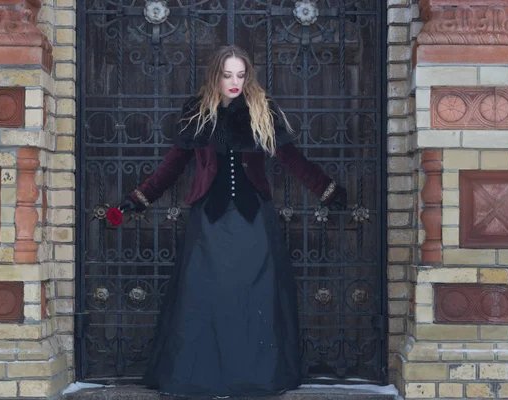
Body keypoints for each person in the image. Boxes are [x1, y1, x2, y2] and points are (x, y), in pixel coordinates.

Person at [114, 45, 346, 398]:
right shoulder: (197, 114)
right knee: (204, 300)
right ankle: (203, 378)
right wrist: (135, 201)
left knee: (254, 298)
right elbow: (172, 166)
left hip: (254, 221)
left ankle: (252, 377)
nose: (234, 82)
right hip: (209, 221)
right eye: (227, 75)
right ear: (215, 76)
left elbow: (292, 160)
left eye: (240, 74)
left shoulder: (262, 111)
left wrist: (327, 190)